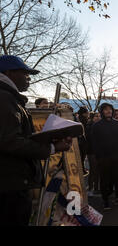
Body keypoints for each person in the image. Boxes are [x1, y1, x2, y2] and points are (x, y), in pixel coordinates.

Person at [0, 55, 72, 225]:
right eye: (25, 73)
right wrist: (51, 149)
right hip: (9, 187)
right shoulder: (4, 98)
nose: (29, 78)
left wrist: (47, 139)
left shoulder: (10, 98)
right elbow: (9, 141)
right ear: (9, 72)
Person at [91, 103, 118, 210]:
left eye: (110, 109)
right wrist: (99, 157)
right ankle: (105, 199)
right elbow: (94, 143)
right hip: (103, 158)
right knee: (105, 179)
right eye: (106, 110)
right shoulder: (96, 126)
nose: (108, 111)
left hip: (117, 157)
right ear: (102, 111)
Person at [86, 112, 101, 196]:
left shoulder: (101, 126)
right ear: (92, 118)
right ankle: (90, 188)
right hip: (92, 152)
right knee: (93, 170)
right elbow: (90, 140)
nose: (98, 118)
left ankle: (96, 187)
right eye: (96, 116)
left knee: (98, 170)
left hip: (100, 151)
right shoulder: (89, 126)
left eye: (99, 116)